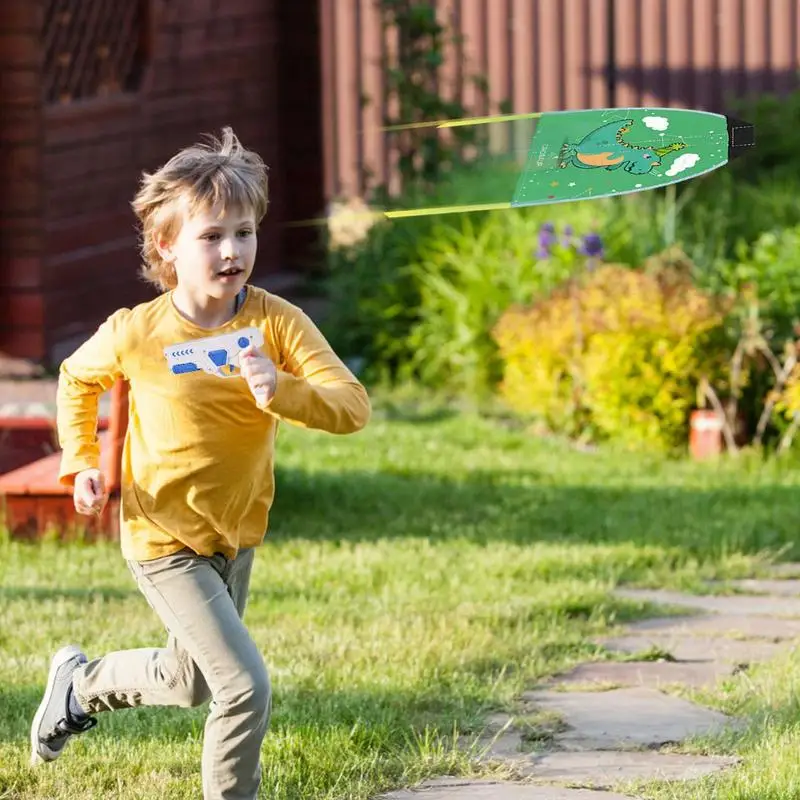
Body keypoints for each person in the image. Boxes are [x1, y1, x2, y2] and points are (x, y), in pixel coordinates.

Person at [29, 127, 371, 799]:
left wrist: (285, 390)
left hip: (234, 534)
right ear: (168, 246)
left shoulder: (279, 325)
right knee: (243, 687)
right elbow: (77, 378)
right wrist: (82, 462)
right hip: (163, 536)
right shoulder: (139, 331)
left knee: (189, 681)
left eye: (244, 233)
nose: (232, 251)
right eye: (211, 236)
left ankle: (79, 686)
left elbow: (352, 405)